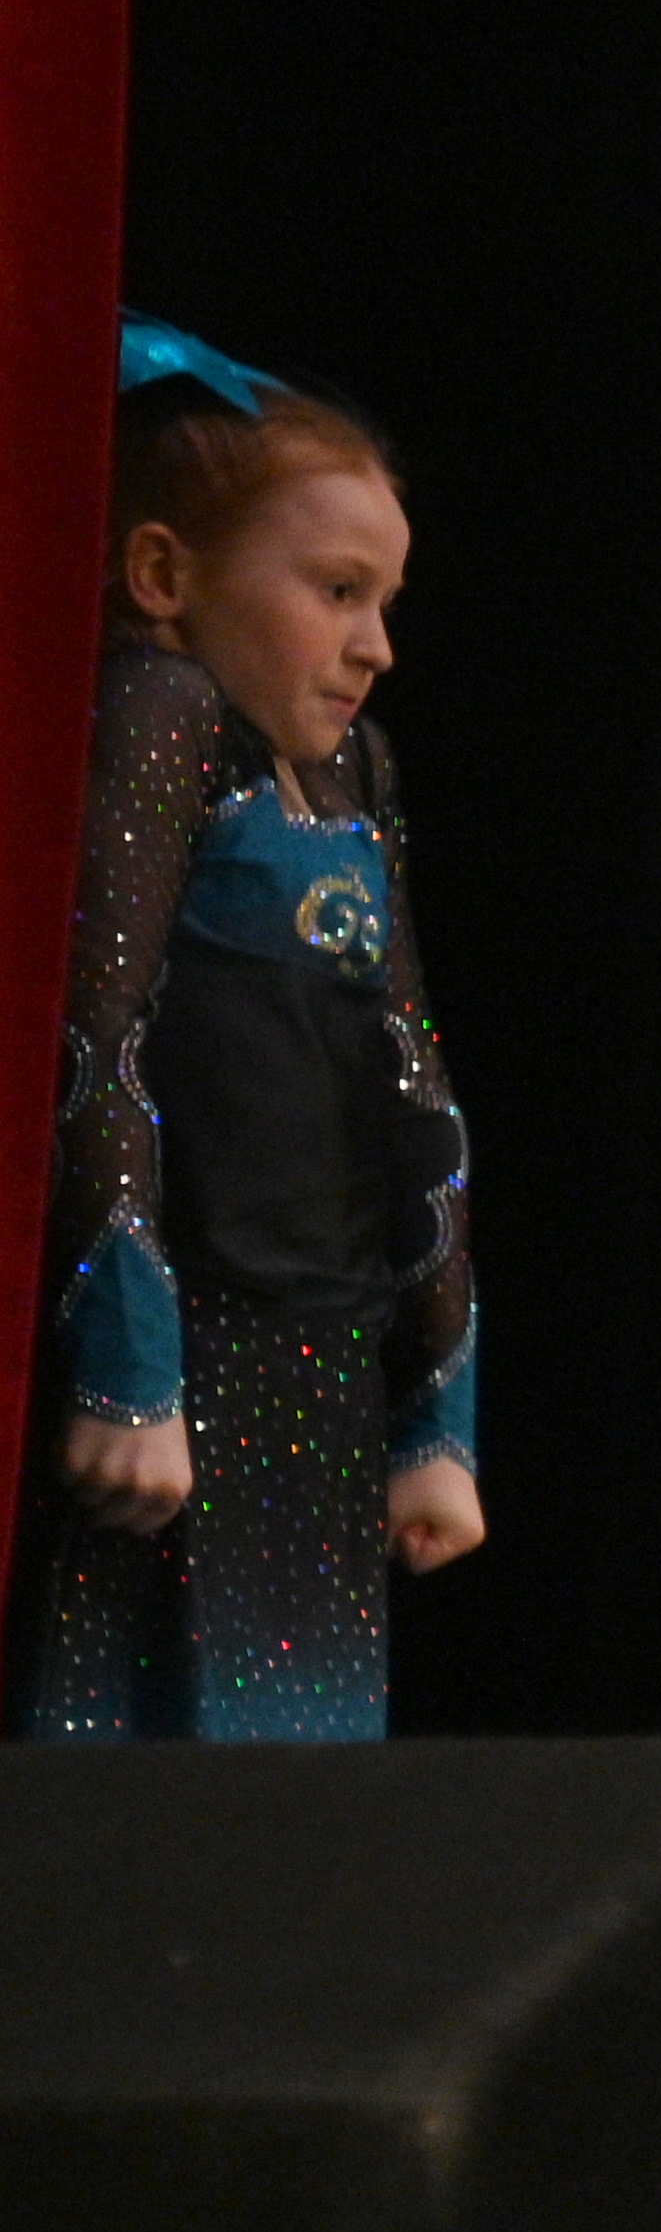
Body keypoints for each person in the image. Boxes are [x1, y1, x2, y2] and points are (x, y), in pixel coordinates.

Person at [18, 319, 477, 1740]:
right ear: (164, 575)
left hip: (318, 1377)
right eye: (337, 591)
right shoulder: (166, 714)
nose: (375, 645)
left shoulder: (353, 774)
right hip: (179, 1364)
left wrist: (436, 1406)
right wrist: (127, 1360)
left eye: (386, 600)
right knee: (136, 1811)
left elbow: (415, 1086)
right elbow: (96, 1032)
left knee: (289, 1818)